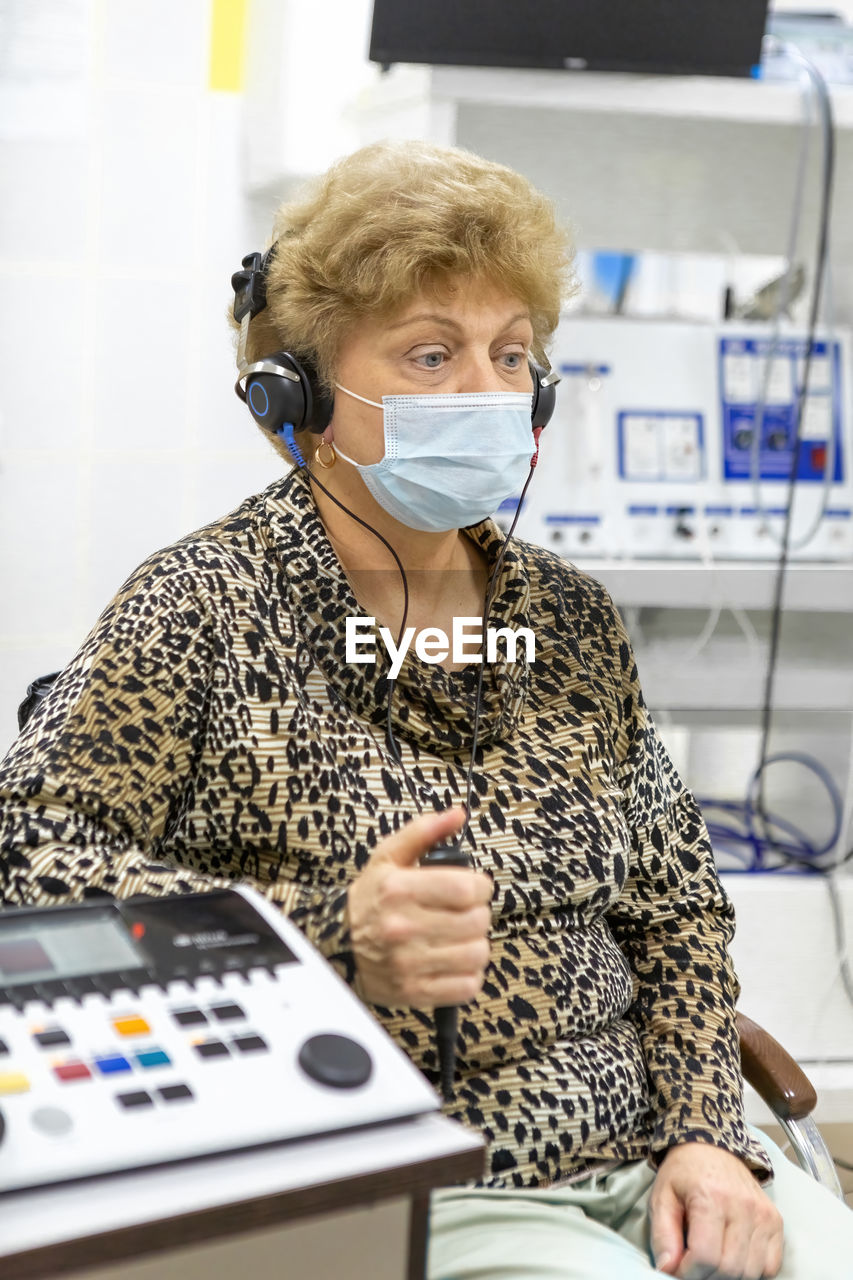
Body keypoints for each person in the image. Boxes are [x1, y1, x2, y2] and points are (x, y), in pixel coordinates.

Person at [0, 141, 850, 1279]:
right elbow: (30, 857)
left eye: (511, 355)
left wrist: (705, 1132)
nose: (489, 393)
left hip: (658, 1159)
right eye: (431, 353)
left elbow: (674, 911)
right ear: (294, 396)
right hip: (414, 1187)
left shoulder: (574, 623)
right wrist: (325, 930)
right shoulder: (197, 608)